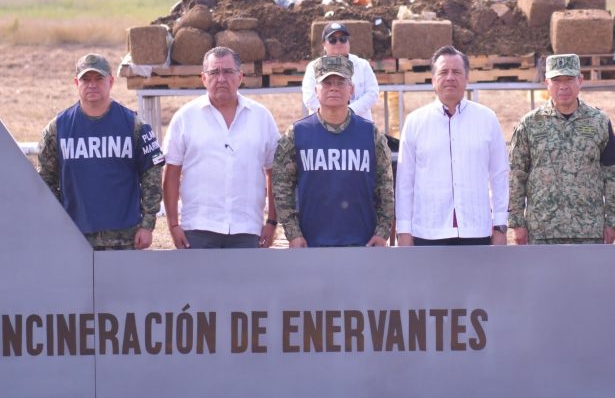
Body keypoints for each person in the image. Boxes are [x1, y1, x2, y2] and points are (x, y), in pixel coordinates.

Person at [37, 53, 165, 250]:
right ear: (76, 83)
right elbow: (45, 180)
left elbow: (152, 174)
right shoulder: (57, 129)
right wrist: (56, 223)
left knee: (123, 282)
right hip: (75, 234)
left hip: (125, 236)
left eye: (99, 79)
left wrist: (147, 224)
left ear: (111, 81)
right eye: (85, 79)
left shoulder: (134, 125)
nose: (92, 85)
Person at [162, 47, 280, 249]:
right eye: (214, 72)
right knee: (200, 282)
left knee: (246, 282)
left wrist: (271, 222)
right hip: (198, 228)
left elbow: (274, 173)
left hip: (247, 229)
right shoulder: (185, 117)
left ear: (240, 76)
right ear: (203, 78)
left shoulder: (262, 117)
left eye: (228, 72)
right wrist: (173, 224)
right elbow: (171, 173)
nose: (221, 78)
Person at [273, 55, 394, 247]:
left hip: (363, 243)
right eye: (327, 82)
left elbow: (385, 187)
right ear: (316, 90)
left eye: (340, 82)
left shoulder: (371, 134)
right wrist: (293, 233)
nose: (334, 87)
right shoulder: (297, 133)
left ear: (351, 90)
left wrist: (382, 232)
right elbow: (282, 188)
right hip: (311, 243)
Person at [396, 46, 509, 246]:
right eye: (443, 72)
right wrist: (403, 230)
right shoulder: (415, 122)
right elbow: (405, 182)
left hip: (476, 230)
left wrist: (500, 225)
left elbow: (499, 175)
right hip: (428, 232)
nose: (450, 77)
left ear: (467, 79)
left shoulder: (487, 119)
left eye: (456, 72)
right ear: (433, 80)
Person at [508, 54, 615, 245]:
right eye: (556, 80)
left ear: (580, 80)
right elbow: (516, 174)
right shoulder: (530, 124)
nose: (563, 86)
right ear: (547, 83)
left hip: (588, 229)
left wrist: (613, 220)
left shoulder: (599, 122)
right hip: (541, 230)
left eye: (569, 79)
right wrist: (517, 222)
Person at [301, 21, 379, 122]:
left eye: (343, 39)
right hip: (323, 126)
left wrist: (350, 111)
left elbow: (372, 93)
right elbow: (309, 98)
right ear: (324, 44)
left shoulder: (362, 65)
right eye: (332, 40)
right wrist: (333, 115)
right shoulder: (313, 67)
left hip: (359, 124)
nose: (338, 43)